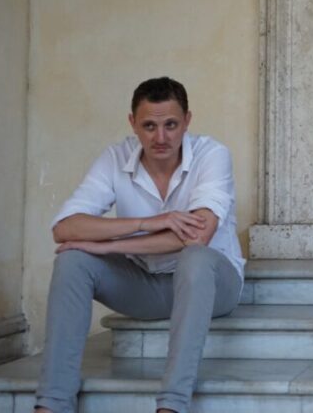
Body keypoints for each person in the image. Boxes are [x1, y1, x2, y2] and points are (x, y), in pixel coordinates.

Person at [35, 77, 244, 413]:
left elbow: (196, 236)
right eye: (149, 126)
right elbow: (65, 228)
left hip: (212, 285)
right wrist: (146, 223)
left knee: (195, 257)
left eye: (171, 125)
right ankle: (53, 403)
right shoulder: (114, 158)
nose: (160, 137)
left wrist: (110, 245)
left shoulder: (212, 154)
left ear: (187, 121)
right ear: (132, 123)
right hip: (147, 285)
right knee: (73, 261)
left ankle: (172, 405)